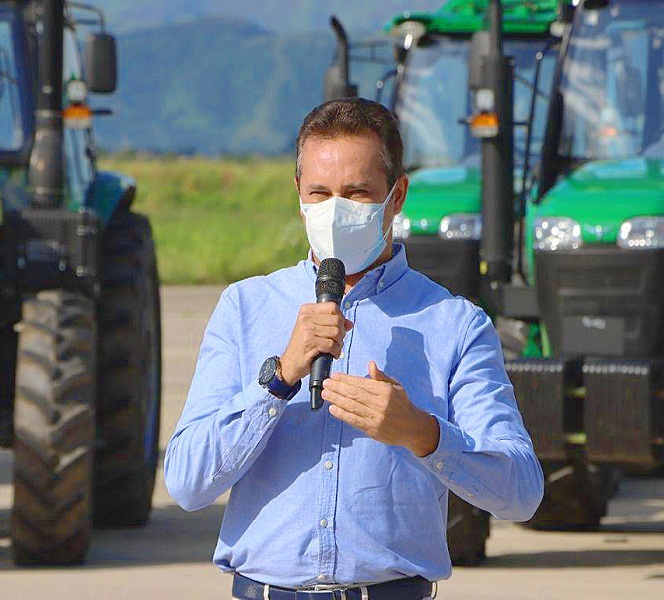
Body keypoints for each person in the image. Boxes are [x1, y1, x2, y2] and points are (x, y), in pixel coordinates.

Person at [164, 98, 544, 600]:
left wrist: (423, 434)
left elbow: (521, 492)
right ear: (298, 194)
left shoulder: (455, 323)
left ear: (396, 195)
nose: (335, 211)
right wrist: (278, 379)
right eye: (319, 193)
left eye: (357, 193)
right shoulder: (245, 307)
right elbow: (187, 483)